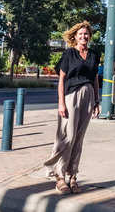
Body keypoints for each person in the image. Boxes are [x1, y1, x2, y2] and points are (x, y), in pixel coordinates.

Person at [44, 21, 100, 194]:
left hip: (89, 96)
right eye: (81, 34)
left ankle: (72, 175)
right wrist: (61, 102)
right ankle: (59, 176)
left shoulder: (93, 55)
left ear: (89, 36)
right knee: (67, 136)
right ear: (75, 36)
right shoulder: (69, 54)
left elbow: (95, 79)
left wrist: (97, 101)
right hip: (71, 97)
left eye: (86, 34)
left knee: (79, 138)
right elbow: (61, 79)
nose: (84, 36)